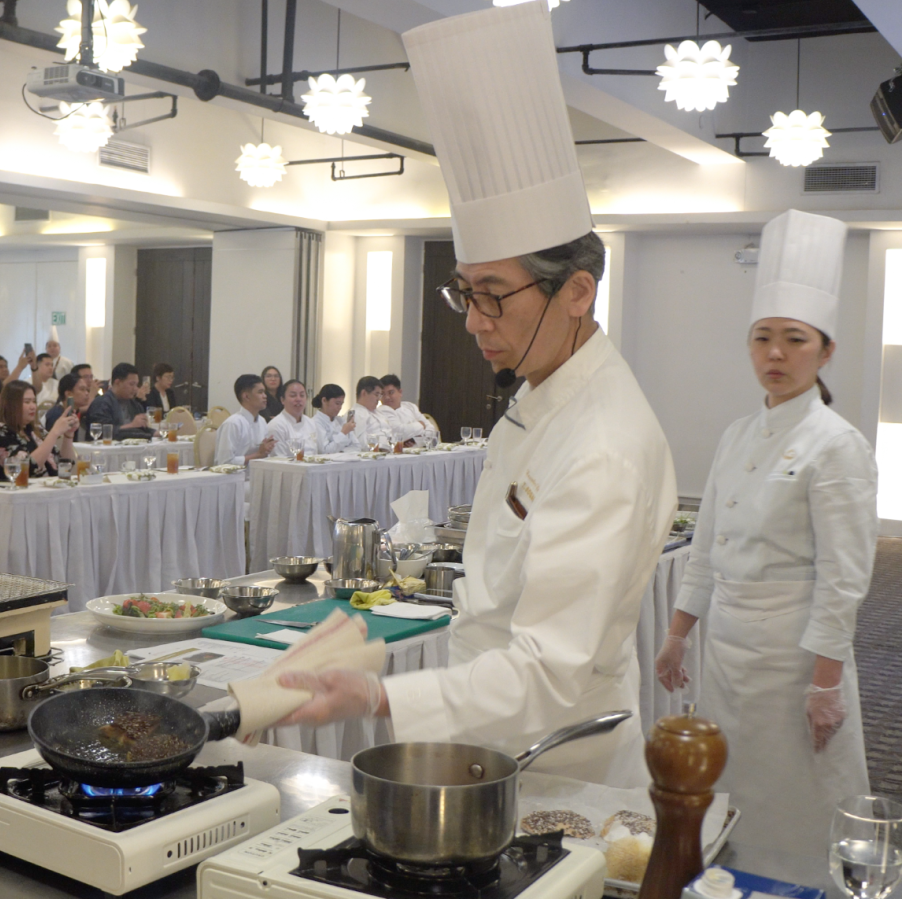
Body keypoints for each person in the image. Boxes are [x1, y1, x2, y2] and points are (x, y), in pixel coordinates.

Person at [272, 3, 676, 788]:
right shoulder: (542, 388)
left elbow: (547, 669)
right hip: (491, 734)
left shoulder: (606, 443)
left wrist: (381, 692)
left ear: (577, 292)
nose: (476, 323)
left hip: (559, 758)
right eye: (466, 294)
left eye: (495, 295)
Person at [654, 209, 877, 855]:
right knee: (729, 793)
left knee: (798, 797)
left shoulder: (838, 446)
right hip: (727, 649)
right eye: (762, 337)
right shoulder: (737, 433)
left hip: (794, 657)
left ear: (826, 350)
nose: (776, 353)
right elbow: (707, 546)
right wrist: (676, 635)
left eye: (796, 339)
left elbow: (844, 577)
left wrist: (827, 682)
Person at [0, 379, 78, 480]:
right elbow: (28, 468)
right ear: (10, 405)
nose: (33, 406)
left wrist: (68, 435)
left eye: (34, 401)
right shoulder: (3, 432)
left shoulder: (36, 430)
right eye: (27, 402)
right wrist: (54, 432)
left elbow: (65, 466)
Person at [214, 374, 276, 469]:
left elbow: (263, 455)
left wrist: (266, 449)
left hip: (256, 476)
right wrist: (258, 454)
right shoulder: (233, 424)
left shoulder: (262, 421)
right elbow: (224, 463)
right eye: (260, 392)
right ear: (246, 396)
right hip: (233, 480)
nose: (265, 396)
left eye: (264, 392)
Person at [84, 362, 155, 440]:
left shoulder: (134, 404)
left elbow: (142, 428)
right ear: (117, 382)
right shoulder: (102, 403)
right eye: (131, 384)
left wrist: (157, 433)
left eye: (136, 385)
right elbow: (101, 432)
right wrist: (132, 425)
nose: (135, 388)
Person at [376, 374, 437, 446]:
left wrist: (416, 441)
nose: (387, 397)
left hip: (420, 449)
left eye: (391, 392)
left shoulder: (410, 406)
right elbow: (399, 432)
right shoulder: (381, 411)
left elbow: (431, 429)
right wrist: (421, 425)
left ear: (400, 392)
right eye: (382, 394)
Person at [266, 380, 318, 457]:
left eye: (302, 395)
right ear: (282, 400)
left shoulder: (311, 422)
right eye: (293, 395)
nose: (298, 399)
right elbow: (278, 460)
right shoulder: (276, 425)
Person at [311, 384, 359, 453]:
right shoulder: (315, 422)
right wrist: (343, 432)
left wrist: (341, 451)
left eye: (341, 404)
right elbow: (325, 451)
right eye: (337, 403)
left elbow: (357, 446)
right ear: (324, 400)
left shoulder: (341, 420)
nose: (340, 407)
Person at [45, 372, 91, 441]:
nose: (87, 393)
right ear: (69, 394)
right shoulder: (56, 415)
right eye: (82, 389)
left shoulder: (75, 412)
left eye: (87, 390)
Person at [352, 376, 391, 449]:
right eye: (376, 394)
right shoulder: (356, 414)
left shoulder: (379, 413)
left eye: (380, 395)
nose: (379, 399)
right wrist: (382, 447)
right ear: (364, 393)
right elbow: (360, 443)